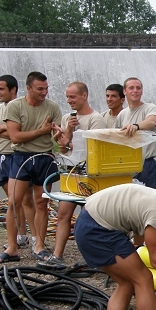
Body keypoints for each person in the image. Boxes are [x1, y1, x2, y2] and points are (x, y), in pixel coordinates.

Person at [0, 71, 62, 264]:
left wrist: (61, 135)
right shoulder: (15, 106)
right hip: (21, 157)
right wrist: (41, 131)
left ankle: (39, 246)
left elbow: (57, 137)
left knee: (42, 203)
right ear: (28, 88)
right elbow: (15, 137)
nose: (44, 92)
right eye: (40, 89)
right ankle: (12, 248)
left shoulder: (53, 107)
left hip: (44, 157)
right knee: (14, 202)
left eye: (46, 88)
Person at [42, 81, 106, 270]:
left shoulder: (96, 119)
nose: (69, 101)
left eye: (73, 97)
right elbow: (63, 147)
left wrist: (70, 141)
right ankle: (57, 256)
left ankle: (89, 258)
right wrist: (68, 131)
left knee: (89, 216)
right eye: (67, 97)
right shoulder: (66, 118)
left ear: (84, 96)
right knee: (63, 213)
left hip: (90, 176)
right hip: (70, 174)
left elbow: (93, 151)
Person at [0, 75, 36, 250]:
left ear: (13, 90)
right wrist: (5, 128)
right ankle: (21, 236)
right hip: (3, 156)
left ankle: (35, 238)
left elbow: (17, 134)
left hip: (18, 155)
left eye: (1, 89)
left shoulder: (21, 107)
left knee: (26, 199)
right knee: (13, 200)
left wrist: (1, 130)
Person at [115, 77, 156, 191]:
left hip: (147, 165)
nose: (135, 91)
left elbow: (152, 121)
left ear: (142, 91)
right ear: (124, 91)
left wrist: (136, 126)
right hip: (127, 165)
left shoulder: (150, 108)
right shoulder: (122, 114)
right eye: (131, 88)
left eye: (138, 88)